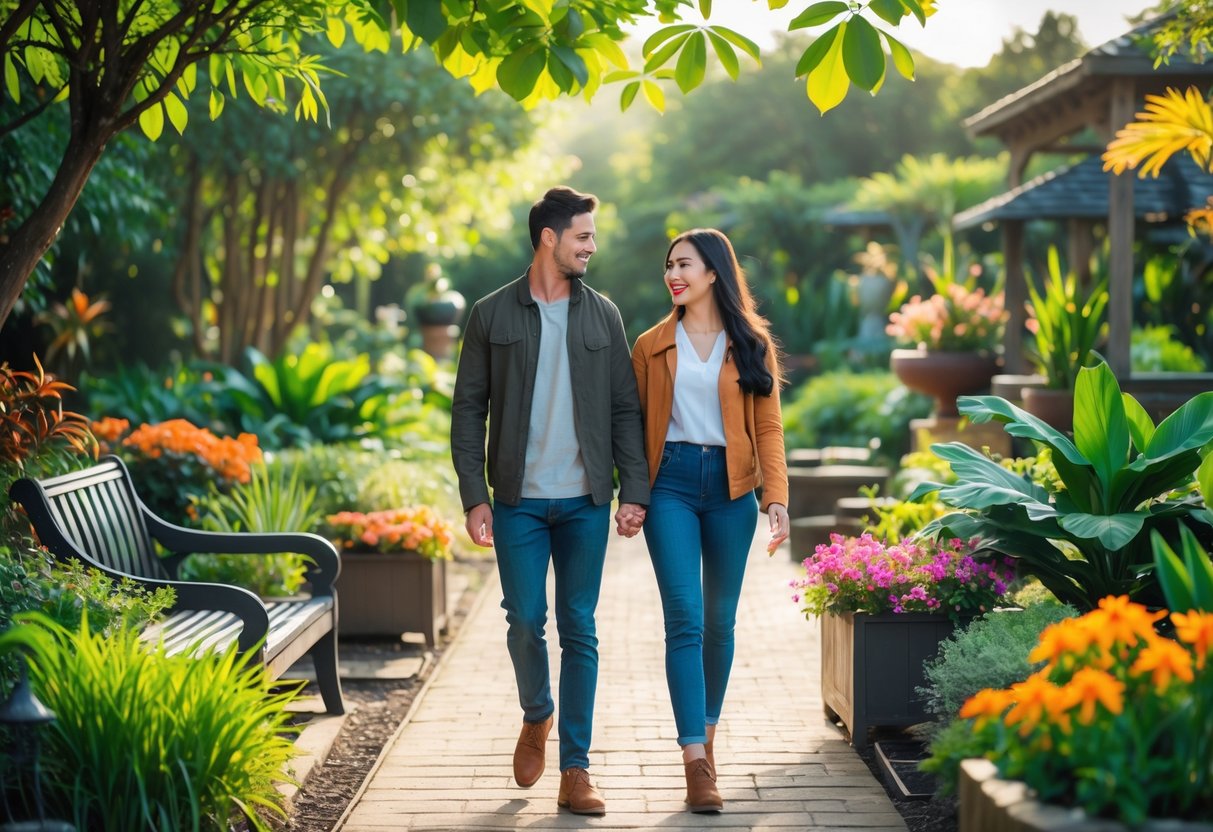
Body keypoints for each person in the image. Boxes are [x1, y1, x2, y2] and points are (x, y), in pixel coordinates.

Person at [450, 186, 650, 815]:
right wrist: (473, 497)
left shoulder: (604, 316)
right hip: (516, 502)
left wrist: (633, 491)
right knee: (524, 619)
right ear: (549, 238)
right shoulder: (490, 314)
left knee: (581, 629)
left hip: (586, 501)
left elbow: (624, 408)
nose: (592, 246)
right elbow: (467, 411)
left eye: (592, 237)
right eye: (583, 236)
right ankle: (537, 714)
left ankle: (576, 769)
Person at [630, 228, 790, 813]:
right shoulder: (650, 345)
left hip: (732, 490)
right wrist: (632, 493)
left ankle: (711, 739)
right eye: (669, 265)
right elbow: (632, 424)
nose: (674, 274)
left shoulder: (750, 343)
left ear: (714, 273)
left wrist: (776, 496)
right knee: (686, 619)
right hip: (669, 484)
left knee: (720, 622)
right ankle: (695, 762)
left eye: (685, 265)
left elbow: (768, 426)